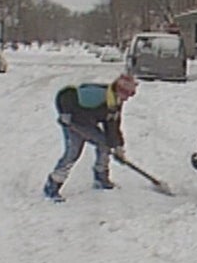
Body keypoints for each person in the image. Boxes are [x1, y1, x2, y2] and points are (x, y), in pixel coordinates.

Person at [42, 73, 137, 202]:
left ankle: (101, 177)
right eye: (127, 94)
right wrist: (65, 114)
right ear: (119, 90)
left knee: (104, 144)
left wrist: (118, 147)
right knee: (73, 152)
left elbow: (112, 127)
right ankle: (52, 185)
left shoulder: (115, 103)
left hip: (86, 123)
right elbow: (67, 93)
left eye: (131, 94)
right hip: (72, 121)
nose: (127, 98)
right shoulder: (98, 95)